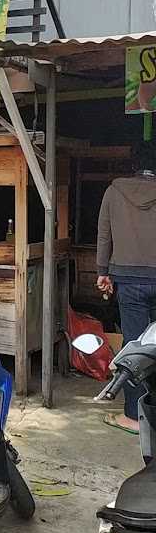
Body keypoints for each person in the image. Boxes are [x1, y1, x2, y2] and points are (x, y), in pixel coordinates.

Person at [97, 142, 156, 434]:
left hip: (128, 280)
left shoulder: (113, 192)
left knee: (134, 346)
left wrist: (102, 272)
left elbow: (104, 236)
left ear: (134, 164)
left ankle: (134, 416)